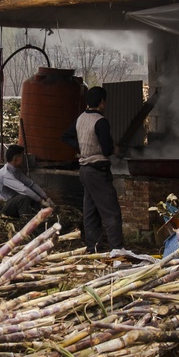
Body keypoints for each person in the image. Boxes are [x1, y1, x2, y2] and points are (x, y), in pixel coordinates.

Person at [62, 86, 124, 253]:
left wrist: (81, 147)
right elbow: (106, 149)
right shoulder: (100, 121)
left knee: (90, 212)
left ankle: (93, 248)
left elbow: (65, 136)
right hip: (98, 170)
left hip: (84, 170)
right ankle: (117, 251)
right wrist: (115, 150)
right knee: (111, 213)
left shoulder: (81, 118)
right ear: (102, 101)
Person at [0, 144, 53, 218]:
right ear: (16, 158)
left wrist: (46, 197)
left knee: (33, 195)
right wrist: (41, 201)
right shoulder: (6, 174)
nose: (23, 159)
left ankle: (40, 217)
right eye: (22, 156)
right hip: (1, 206)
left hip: (11, 202)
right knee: (24, 198)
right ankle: (25, 221)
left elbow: (31, 184)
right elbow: (24, 189)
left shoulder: (16, 171)